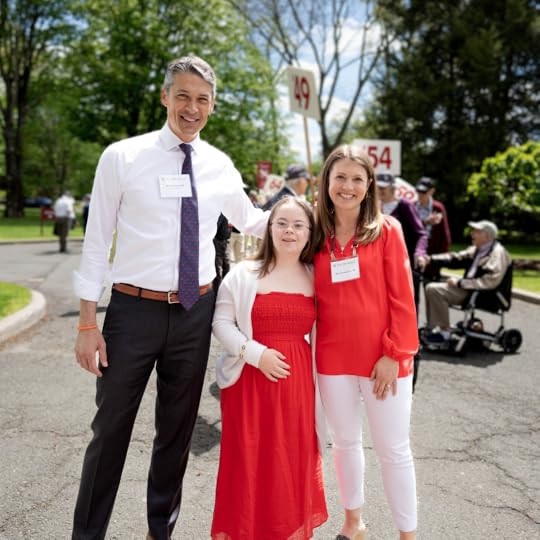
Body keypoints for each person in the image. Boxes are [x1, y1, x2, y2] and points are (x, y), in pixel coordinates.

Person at [72, 56, 268, 540]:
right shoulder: (122, 156)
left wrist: (320, 217)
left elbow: (256, 221)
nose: (191, 108)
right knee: (110, 431)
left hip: (194, 314)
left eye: (202, 100)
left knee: (176, 434)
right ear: (165, 97)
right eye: (183, 95)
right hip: (131, 313)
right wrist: (86, 322)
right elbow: (97, 242)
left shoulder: (219, 165)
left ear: (212, 106)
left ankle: (160, 532)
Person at [314, 145, 418, 540]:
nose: (348, 186)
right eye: (340, 176)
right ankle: (353, 523)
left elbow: (403, 299)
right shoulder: (316, 233)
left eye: (358, 178)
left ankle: (407, 534)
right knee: (343, 442)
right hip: (332, 358)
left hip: (383, 360)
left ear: (369, 184)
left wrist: (394, 353)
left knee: (393, 450)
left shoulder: (387, 230)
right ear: (326, 181)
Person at [211, 196, 327, 539]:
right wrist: (254, 353)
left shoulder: (316, 277)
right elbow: (220, 323)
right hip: (248, 382)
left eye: (298, 225)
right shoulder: (243, 274)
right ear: (269, 228)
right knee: (248, 461)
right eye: (281, 223)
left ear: (310, 233)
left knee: (289, 463)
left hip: (297, 385)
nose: (289, 231)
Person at [418, 220, 510, 344]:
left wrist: (461, 283)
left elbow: (490, 281)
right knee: (430, 287)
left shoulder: (498, 253)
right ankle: (434, 327)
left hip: (484, 295)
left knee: (435, 289)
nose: (472, 233)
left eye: (477, 231)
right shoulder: (477, 249)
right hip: (470, 289)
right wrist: (431, 259)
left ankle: (444, 334)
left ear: (487, 236)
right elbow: (455, 258)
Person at [376, 171, 427, 311]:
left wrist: (420, 252)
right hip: (378, 265)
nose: (380, 191)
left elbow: (421, 234)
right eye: (377, 187)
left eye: (383, 188)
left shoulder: (405, 206)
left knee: (405, 306)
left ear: (393, 188)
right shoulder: (372, 206)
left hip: (402, 264)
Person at [414, 177, 451, 280]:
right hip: (415, 250)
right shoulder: (412, 206)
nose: (420, 194)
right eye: (418, 191)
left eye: (424, 192)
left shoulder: (438, 208)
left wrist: (442, 257)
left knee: (430, 282)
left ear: (432, 191)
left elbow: (445, 234)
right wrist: (425, 222)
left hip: (432, 250)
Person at [213, 213, 231, 289]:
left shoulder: (228, 214)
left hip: (225, 243)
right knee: (218, 271)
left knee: (226, 268)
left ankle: (225, 289)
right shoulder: (219, 213)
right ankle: (217, 293)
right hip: (217, 243)